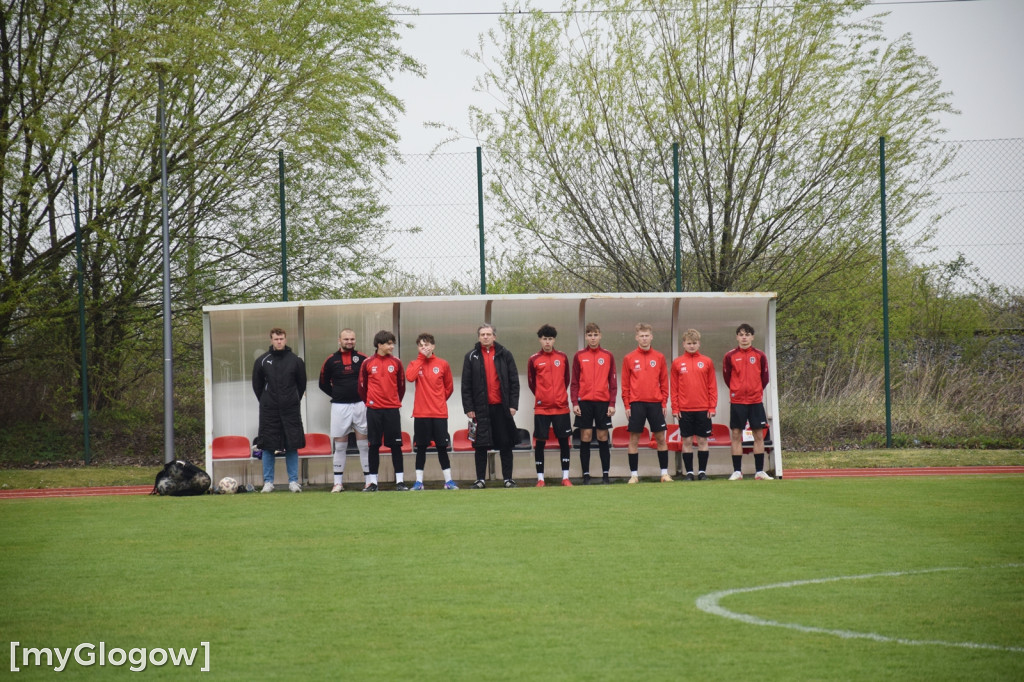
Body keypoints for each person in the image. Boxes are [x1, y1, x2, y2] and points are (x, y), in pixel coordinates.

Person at [461, 323, 520, 489]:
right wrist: (469, 407)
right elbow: (466, 385)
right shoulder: (471, 356)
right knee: (480, 445)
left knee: (505, 444)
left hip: (502, 408)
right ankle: (480, 479)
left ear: (495, 336)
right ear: (478, 337)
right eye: (482, 334)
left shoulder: (505, 354)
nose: (485, 337)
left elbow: (514, 381)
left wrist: (513, 405)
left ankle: (508, 479)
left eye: (488, 334)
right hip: (480, 409)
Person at [252, 327, 306, 493]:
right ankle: (268, 482)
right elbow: (257, 386)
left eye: (281, 338)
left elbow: (301, 384)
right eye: (276, 339)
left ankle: (293, 482)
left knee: (292, 444)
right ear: (271, 340)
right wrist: (268, 401)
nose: (279, 341)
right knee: (267, 445)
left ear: (286, 339)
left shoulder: (295, 360)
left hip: (290, 410)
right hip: (270, 411)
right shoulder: (262, 361)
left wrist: (292, 399)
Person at [318, 328, 370, 493]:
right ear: (339, 340)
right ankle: (338, 483)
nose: (349, 342)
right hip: (340, 407)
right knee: (340, 445)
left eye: (352, 339)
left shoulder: (363, 358)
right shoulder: (331, 360)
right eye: (346, 339)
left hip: (360, 405)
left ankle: (369, 481)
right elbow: (323, 383)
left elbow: (371, 381)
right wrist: (338, 395)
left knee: (363, 444)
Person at [405, 333, 458, 490]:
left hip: (439, 414)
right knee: (421, 447)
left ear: (433, 346)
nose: (424, 348)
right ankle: (419, 482)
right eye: (421, 345)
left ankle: (448, 481)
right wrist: (421, 359)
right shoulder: (414, 363)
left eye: (427, 345)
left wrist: (438, 401)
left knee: (442, 447)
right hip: (421, 414)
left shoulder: (442, 364)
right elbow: (409, 377)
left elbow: (449, 387)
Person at [621, 323, 671, 484]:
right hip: (636, 404)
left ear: (651, 336)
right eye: (641, 335)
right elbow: (625, 384)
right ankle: (634, 475)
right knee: (634, 439)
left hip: (655, 403)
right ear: (636, 337)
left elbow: (664, 382)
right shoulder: (629, 358)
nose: (644, 338)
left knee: (661, 438)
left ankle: (664, 474)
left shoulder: (659, 357)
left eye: (646, 335)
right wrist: (627, 405)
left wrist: (664, 403)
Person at [723, 323, 773, 480]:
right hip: (737, 401)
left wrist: (755, 390)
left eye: (747, 334)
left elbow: (765, 378)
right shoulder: (730, 356)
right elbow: (727, 377)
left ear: (752, 337)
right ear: (737, 337)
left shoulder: (760, 355)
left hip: (755, 401)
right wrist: (737, 390)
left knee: (758, 434)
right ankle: (737, 471)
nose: (744, 337)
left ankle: (759, 471)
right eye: (741, 334)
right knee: (736, 434)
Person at [358, 330, 407, 491]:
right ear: (379, 344)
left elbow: (401, 387)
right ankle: (373, 483)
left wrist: (393, 401)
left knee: (395, 446)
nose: (392, 346)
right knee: (374, 445)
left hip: (392, 410)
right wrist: (371, 402)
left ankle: (400, 482)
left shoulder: (397, 362)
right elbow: (361, 387)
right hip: (374, 410)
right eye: (389, 343)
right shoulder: (367, 363)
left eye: (393, 343)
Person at [527, 324, 573, 487]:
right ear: (540, 340)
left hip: (561, 407)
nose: (547, 342)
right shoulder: (534, 359)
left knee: (563, 441)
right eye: (544, 339)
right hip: (542, 408)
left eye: (550, 339)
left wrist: (559, 396)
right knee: (540, 442)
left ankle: (565, 477)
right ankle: (541, 479)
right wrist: (542, 396)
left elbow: (566, 380)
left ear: (554, 340)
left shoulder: (562, 357)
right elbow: (532, 383)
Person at [570, 322, 617, 484]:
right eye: (589, 335)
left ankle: (605, 475)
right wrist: (575, 402)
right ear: (585, 337)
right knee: (586, 436)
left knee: (602, 436)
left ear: (600, 336)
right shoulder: (579, 356)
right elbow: (574, 382)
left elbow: (613, 382)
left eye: (595, 335)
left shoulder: (608, 355)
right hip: (584, 403)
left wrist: (612, 403)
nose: (593, 338)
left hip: (603, 403)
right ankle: (586, 475)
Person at [671, 329, 717, 481]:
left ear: (699, 343)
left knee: (703, 441)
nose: (691, 346)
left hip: (703, 409)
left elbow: (712, 386)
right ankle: (689, 473)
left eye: (694, 343)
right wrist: (675, 407)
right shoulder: (677, 362)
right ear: (683, 344)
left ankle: (702, 472)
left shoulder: (707, 361)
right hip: (684, 410)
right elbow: (674, 387)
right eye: (689, 343)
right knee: (687, 441)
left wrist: (712, 406)